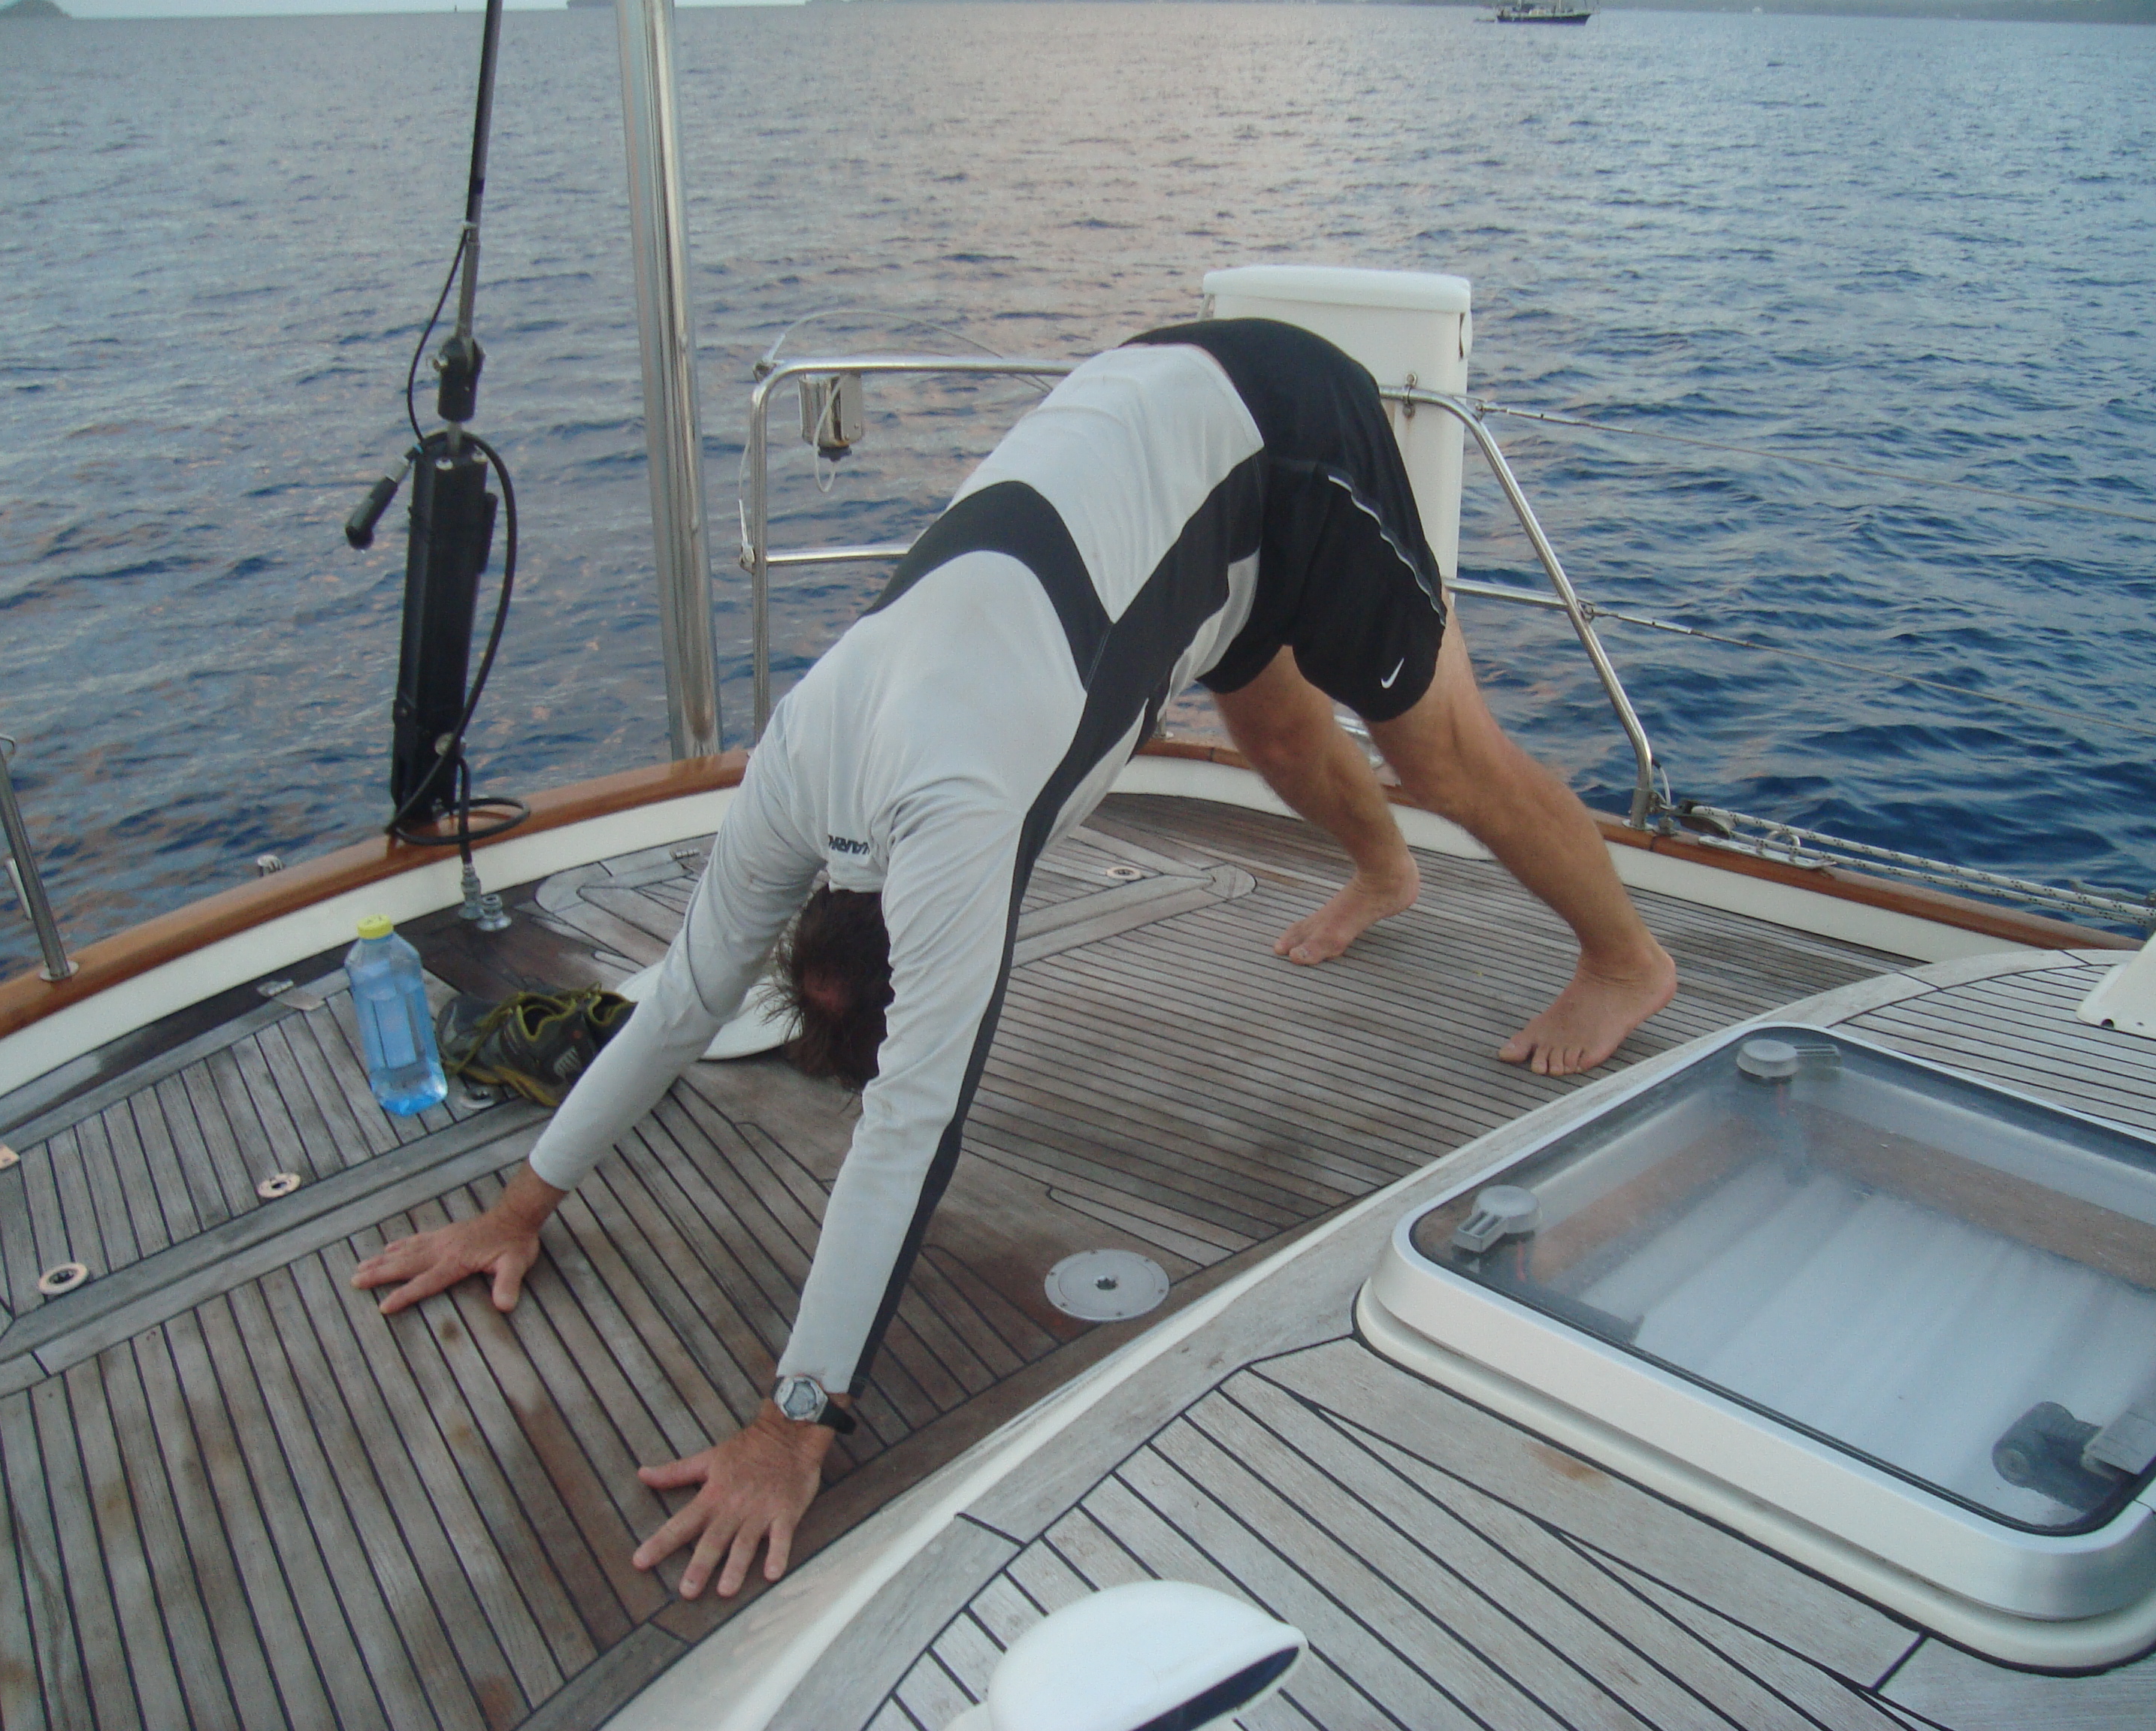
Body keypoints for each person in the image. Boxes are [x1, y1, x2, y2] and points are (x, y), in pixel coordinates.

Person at [352, 317, 1676, 1601]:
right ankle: (1384, 873)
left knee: (1439, 757)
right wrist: (517, 1209)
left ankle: (1626, 959)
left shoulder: (960, 823)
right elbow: (688, 998)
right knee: (1275, 733)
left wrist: (793, 1425)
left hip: (1287, 434)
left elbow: (910, 1122)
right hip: (1162, 446)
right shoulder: (803, 757)